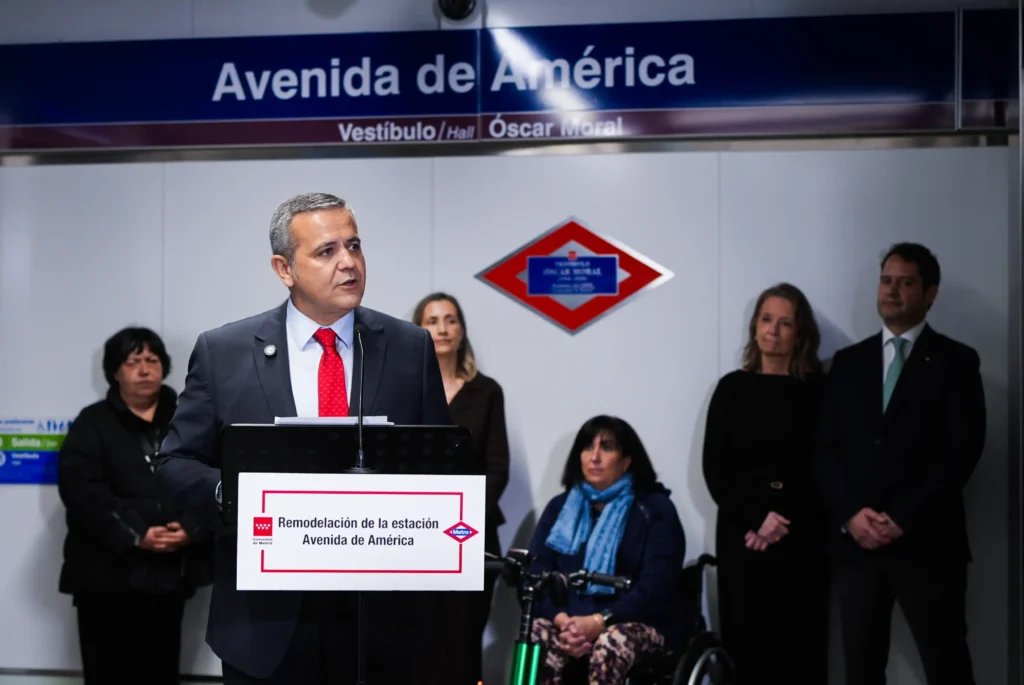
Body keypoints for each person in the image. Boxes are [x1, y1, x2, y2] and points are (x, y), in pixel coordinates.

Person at [154, 193, 452, 685]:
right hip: (265, 625)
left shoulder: (408, 346)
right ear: (284, 268)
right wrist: (235, 495)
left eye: (354, 246)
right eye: (327, 251)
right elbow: (175, 464)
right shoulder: (223, 352)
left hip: (380, 622)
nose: (349, 263)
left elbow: (443, 466)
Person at [816, 243, 986, 685]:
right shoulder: (848, 364)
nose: (892, 291)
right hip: (857, 547)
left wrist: (904, 518)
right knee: (862, 669)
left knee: (947, 664)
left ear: (930, 293)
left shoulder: (957, 362)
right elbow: (826, 449)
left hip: (928, 544)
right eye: (886, 281)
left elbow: (961, 452)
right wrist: (852, 515)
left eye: (906, 282)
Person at [57, 327, 213, 685]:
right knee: (109, 673)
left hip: (171, 574)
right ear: (115, 372)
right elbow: (83, 492)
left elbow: (212, 479)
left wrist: (191, 527)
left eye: (151, 360)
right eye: (132, 361)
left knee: (160, 672)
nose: (144, 369)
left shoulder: (188, 419)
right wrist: (137, 532)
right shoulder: (92, 423)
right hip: (105, 575)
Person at [702, 283, 830, 684]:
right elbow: (716, 470)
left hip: (802, 539)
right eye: (766, 318)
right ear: (755, 326)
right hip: (743, 539)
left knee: (800, 652)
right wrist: (757, 518)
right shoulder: (730, 390)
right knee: (747, 653)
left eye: (785, 322)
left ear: (801, 333)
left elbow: (825, 466)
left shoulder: (820, 391)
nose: (773, 330)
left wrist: (779, 521)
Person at [527, 415, 688, 685]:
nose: (595, 456)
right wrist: (562, 620)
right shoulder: (560, 508)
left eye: (608, 447)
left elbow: (656, 587)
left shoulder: (655, 509)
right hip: (571, 621)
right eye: (588, 447)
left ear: (627, 461)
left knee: (611, 642)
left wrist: (599, 622)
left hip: (639, 621)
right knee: (535, 633)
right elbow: (535, 572)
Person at [412, 292, 510, 685]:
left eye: (450, 319)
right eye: (432, 320)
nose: (442, 328)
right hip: (415, 534)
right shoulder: (407, 389)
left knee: (464, 635)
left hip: (471, 533)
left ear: (462, 329)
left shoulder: (486, 391)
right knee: (420, 638)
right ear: (418, 330)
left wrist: (463, 511)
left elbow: (497, 467)